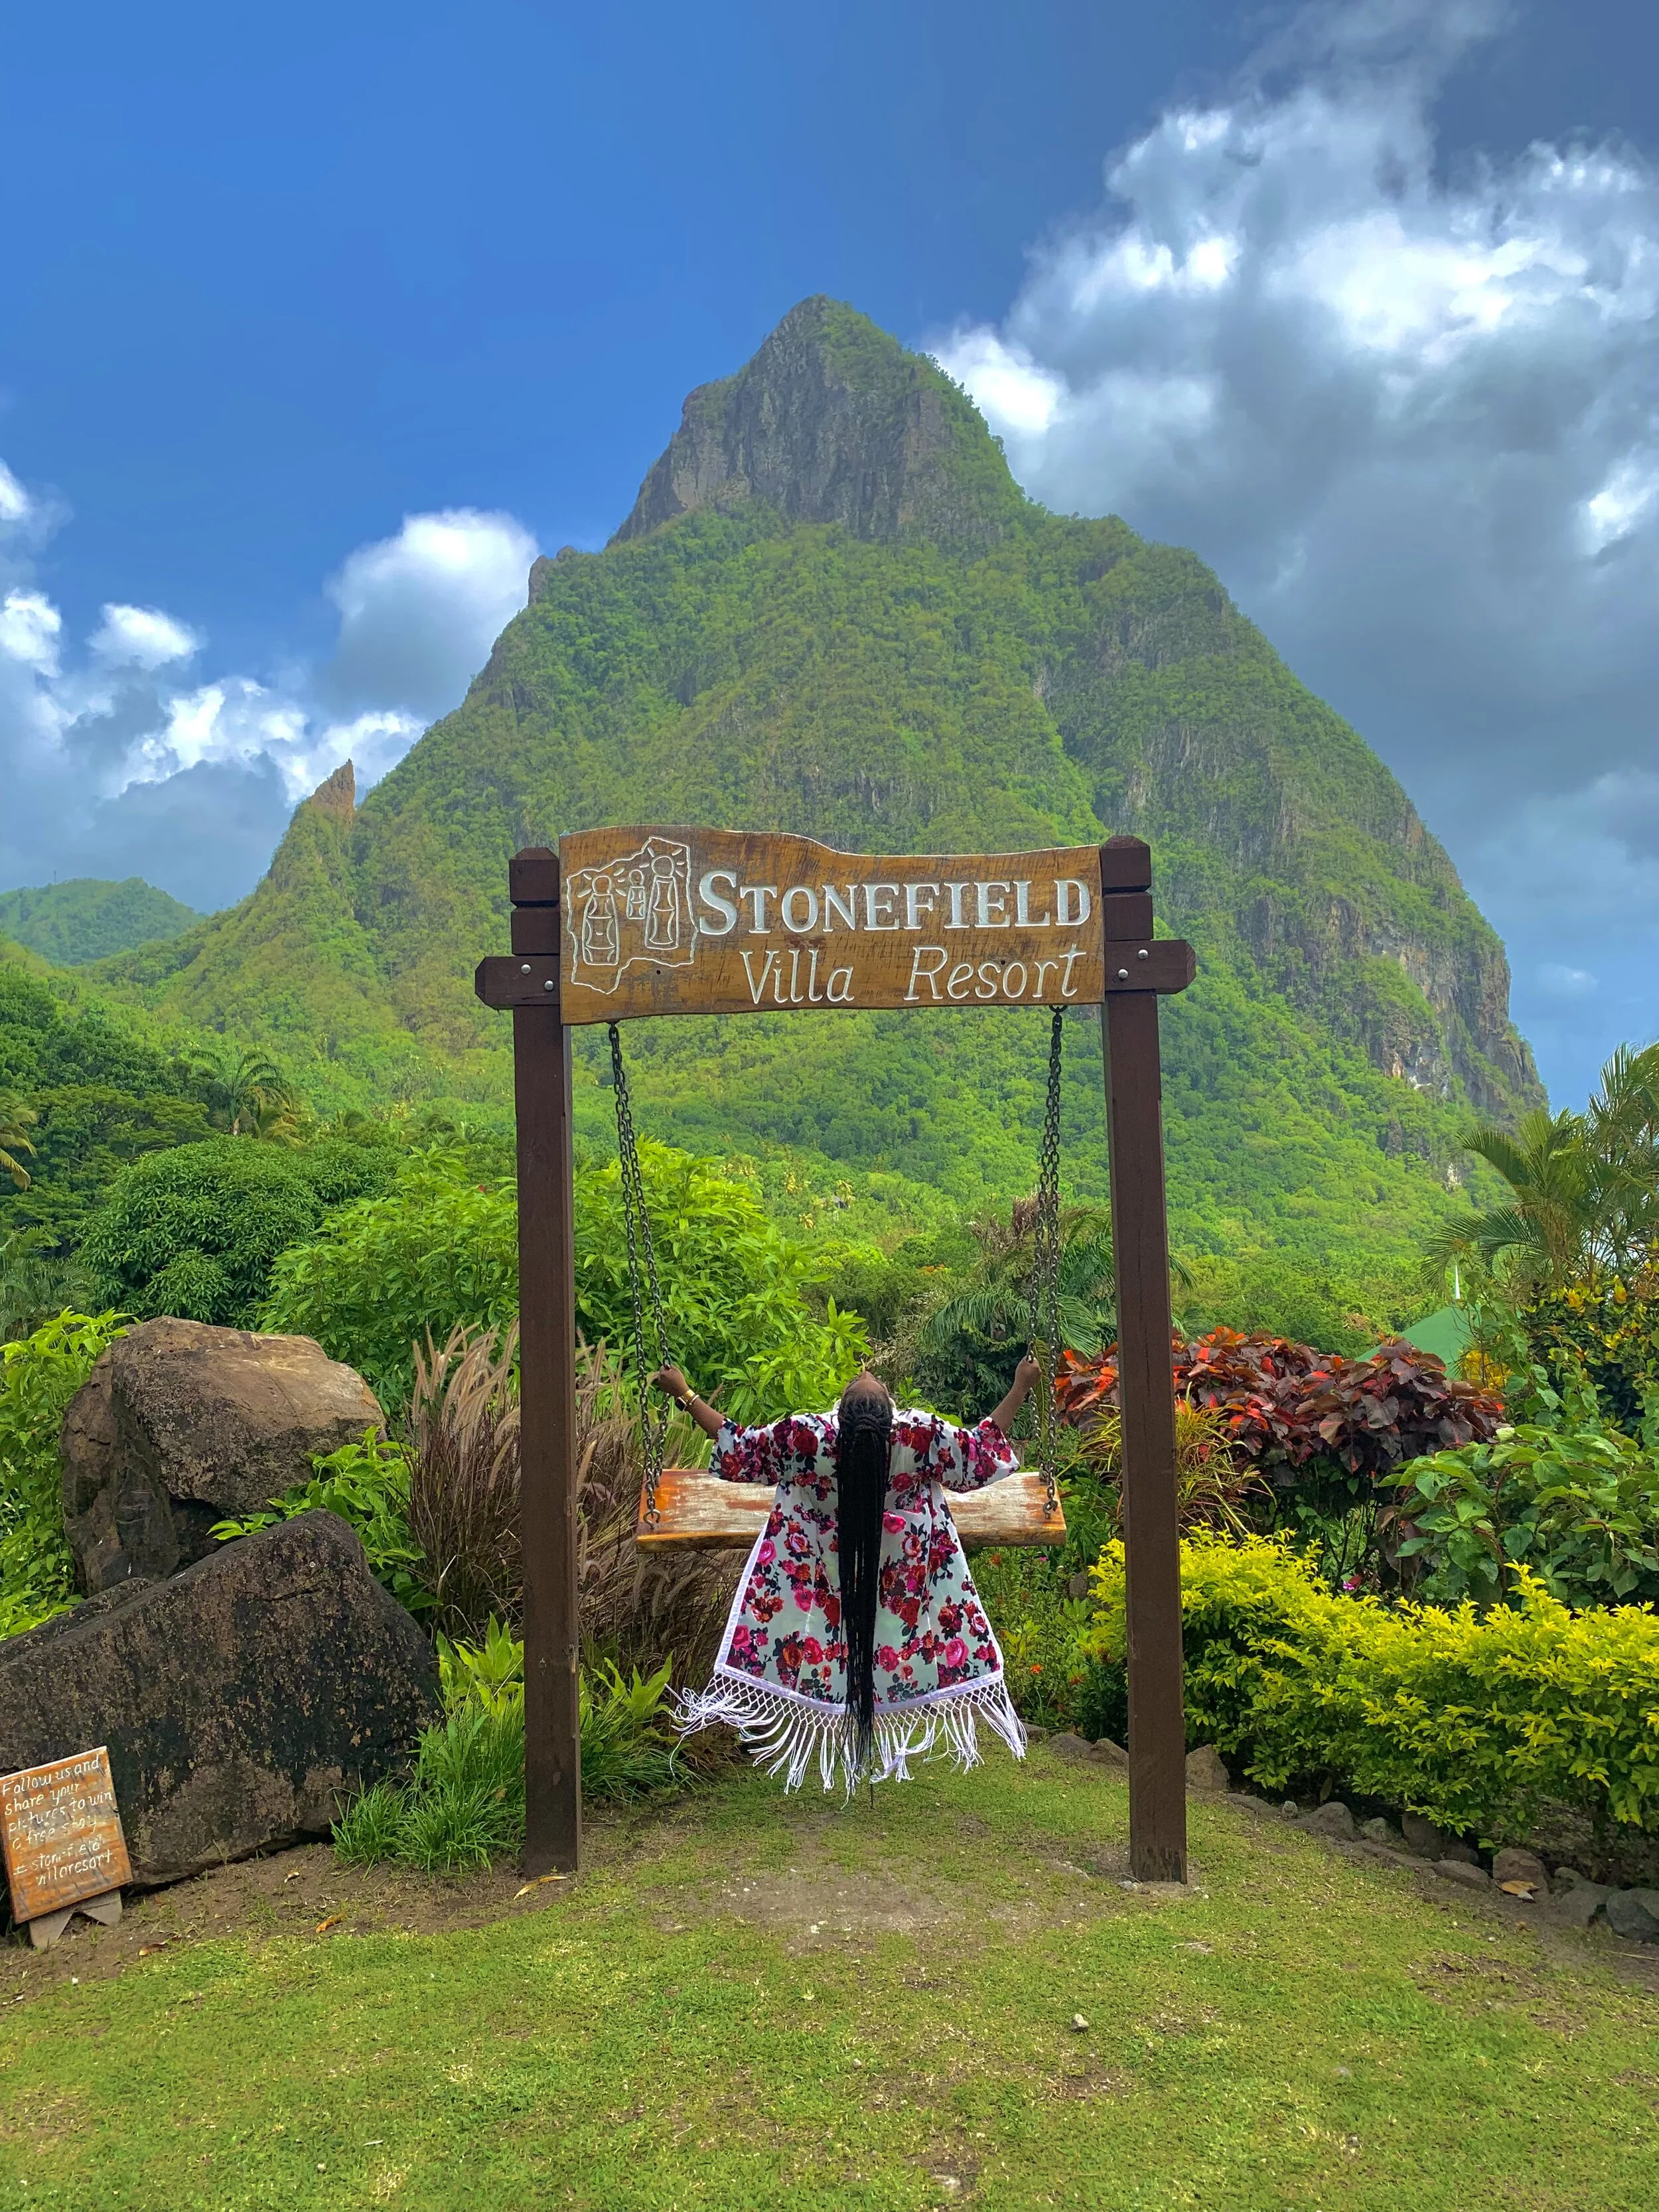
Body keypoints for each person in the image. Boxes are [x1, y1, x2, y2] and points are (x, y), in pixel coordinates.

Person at [648, 1357, 1041, 1793]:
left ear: (843, 1412)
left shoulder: (810, 1437)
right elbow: (978, 1453)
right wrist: (1021, 1386)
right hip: (899, 1581)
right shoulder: (918, 1436)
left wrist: (685, 1393)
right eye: (868, 1383)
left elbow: (740, 1448)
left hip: (826, 1577)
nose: (866, 1374)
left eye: (865, 1382)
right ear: (889, 1411)